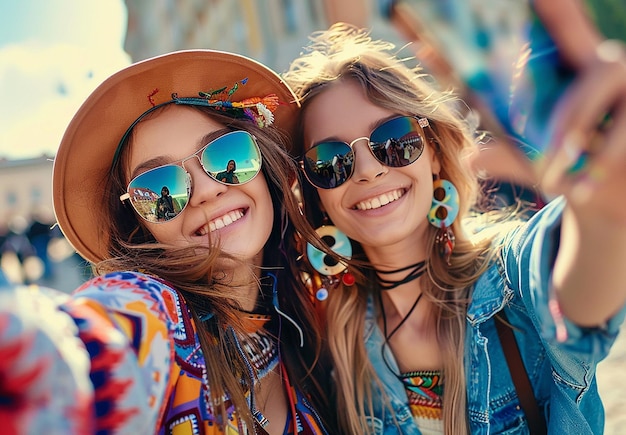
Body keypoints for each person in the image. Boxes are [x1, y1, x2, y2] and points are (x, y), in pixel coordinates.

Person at [282, 23, 626, 434]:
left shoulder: (508, 277)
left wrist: (603, 213)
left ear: (433, 153)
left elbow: (573, 299)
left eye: (394, 139)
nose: (370, 171)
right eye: (331, 160)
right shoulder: (327, 341)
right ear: (315, 192)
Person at [1, 50, 335, 434]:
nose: (207, 191)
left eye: (227, 153)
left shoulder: (310, 311)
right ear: (138, 224)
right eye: (160, 187)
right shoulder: (153, 310)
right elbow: (71, 355)